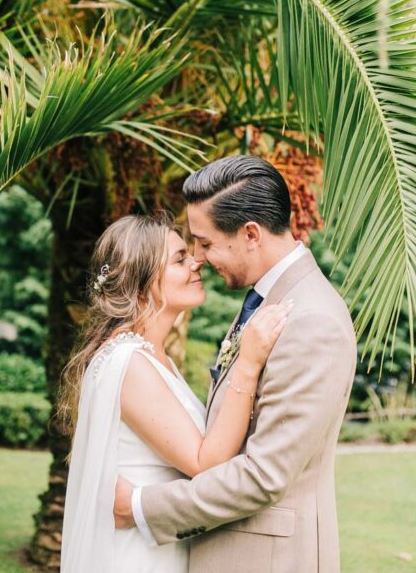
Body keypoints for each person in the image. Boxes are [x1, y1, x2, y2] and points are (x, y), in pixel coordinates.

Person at [113, 155, 358, 573]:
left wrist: (139, 506)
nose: (199, 258)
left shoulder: (312, 320)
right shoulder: (271, 300)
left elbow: (264, 476)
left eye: (205, 243)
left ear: (250, 234)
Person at [58, 210, 291, 572]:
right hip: (139, 557)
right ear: (142, 280)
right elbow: (205, 462)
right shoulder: (129, 362)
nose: (197, 262)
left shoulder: (151, 355)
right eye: (180, 259)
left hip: (158, 543)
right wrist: (248, 362)